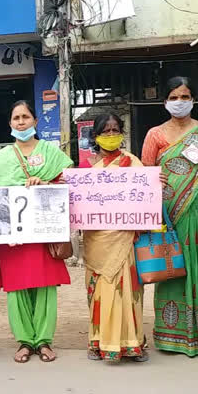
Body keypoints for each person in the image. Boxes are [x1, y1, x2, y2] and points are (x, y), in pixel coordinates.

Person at [140, 76, 198, 359]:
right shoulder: (155, 135)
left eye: (185, 96)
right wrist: (156, 177)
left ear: (194, 100)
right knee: (170, 267)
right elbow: (143, 177)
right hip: (168, 213)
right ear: (165, 101)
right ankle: (170, 336)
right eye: (174, 97)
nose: (179, 102)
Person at [0, 100, 73, 363]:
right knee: (17, 288)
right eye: (16, 118)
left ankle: (44, 341)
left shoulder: (51, 152)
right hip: (15, 236)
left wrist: (45, 183)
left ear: (35, 121)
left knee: (45, 286)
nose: (21, 122)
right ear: (11, 124)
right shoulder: (2, 157)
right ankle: (24, 342)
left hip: (44, 233)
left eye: (25, 117)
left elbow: (68, 184)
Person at [80, 113, 147, 362]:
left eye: (115, 130)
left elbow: (145, 195)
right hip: (98, 240)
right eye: (105, 131)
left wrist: (155, 183)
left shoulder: (132, 163)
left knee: (127, 291)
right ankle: (97, 342)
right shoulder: (88, 169)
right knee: (100, 292)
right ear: (96, 136)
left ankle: (133, 341)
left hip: (125, 238)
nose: (110, 135)